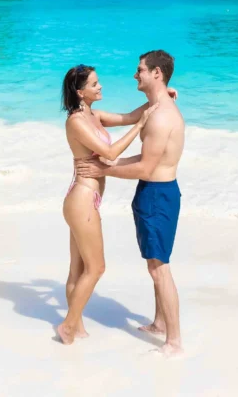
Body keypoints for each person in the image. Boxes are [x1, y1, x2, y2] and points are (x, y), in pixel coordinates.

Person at [77, 50, 186, 356]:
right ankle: (160, 323)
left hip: (157, 194)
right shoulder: (157, 108)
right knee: (156, 264)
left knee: (159, 269)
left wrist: (104, 169)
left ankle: (174, 342)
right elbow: (143, 153)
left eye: (140, 70)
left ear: (157, 74)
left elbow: (146, 168)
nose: (135, 74)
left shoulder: (162, 116)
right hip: (156, 192)